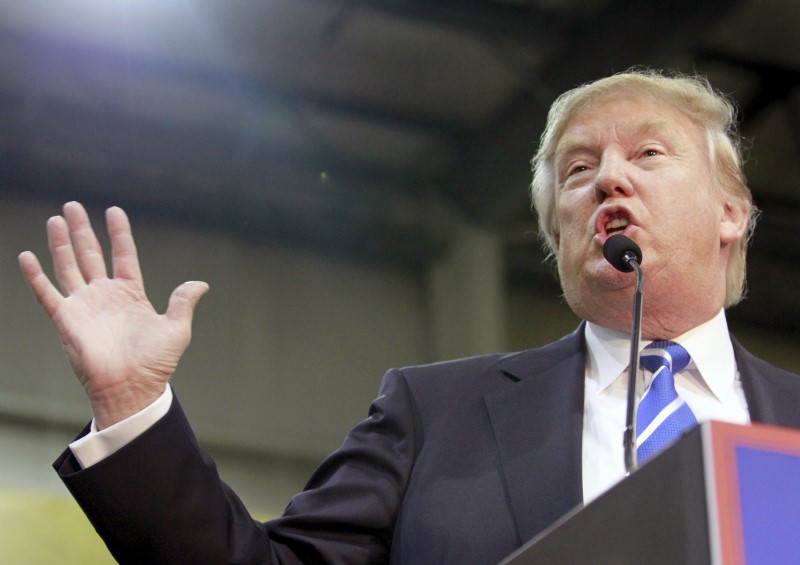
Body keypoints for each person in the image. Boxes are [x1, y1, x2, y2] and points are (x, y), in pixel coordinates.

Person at [18, 69, 800, 564]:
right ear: (558, 236)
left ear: (731, 213)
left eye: (649, 155)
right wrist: (132, 408)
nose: (607, 183)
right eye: (578, 170)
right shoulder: (435, 415)